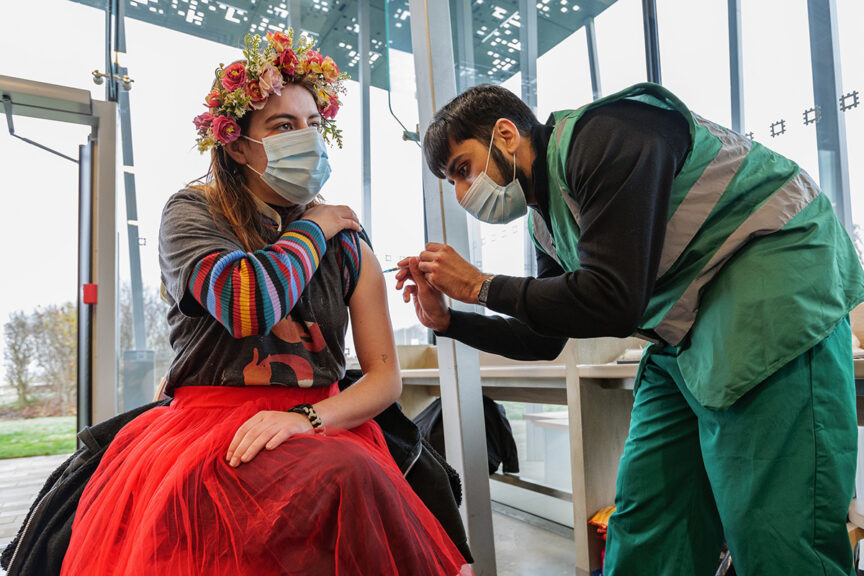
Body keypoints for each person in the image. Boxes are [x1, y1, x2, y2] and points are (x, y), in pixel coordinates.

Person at [396, 82, 864, 575]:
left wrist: (480, 285)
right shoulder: (546, 221)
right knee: (646, 523)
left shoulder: (606, 135)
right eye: (452, 182)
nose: (463, 193)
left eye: (463, 169)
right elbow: (546, 336)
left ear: (506, 135)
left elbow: (612, 298)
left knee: (777, 535)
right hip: (684, 332)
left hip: (774, 286)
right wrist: (448, 320)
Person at [60, 31, 471, 576]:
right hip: (207, 431)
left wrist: (307, 419)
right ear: (235, 144)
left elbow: (382, 378)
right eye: (282, 126)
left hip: (324, 421)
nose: (307, 139)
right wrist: (315, 227)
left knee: (349, 479)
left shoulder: (352, 246)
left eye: (314, 126)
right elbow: (244, 303)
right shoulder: (192, 213)